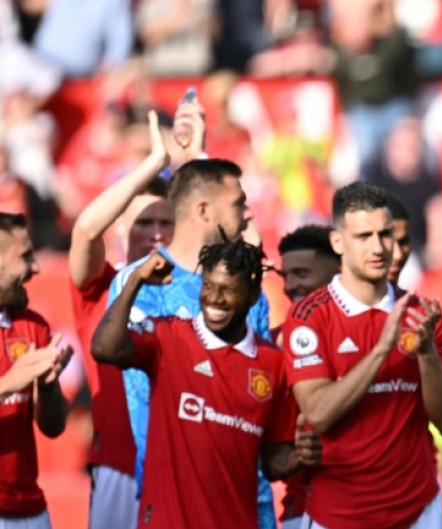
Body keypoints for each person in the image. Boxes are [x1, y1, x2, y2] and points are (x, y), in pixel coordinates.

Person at [92, 240, 319, 528]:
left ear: (252, 296)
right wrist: (136, 279)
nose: (215, 298)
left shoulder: (272, 364)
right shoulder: (168, 335)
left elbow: (273, 463)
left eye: (228, 289)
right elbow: (104, 349)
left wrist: (302, 455)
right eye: (209, 286)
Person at [281, 182, 442, 529]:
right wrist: (383, 349)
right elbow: (318, 412)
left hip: (418, 511)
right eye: (363, 236)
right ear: (338, 243)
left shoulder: (421, 314)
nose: (379, 248)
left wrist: (426, 353)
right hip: (339, 515)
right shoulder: (309, 317)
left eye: (385, 235)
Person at [108, 157, 277, 528]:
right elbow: (145, 404)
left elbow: (261, 389)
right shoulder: (142, 284)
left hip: (251, 502)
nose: (247, 215)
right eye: (238, 203)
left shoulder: (251, 293)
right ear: (203, 210)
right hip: (177, 505)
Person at [68, 109, 176, 529]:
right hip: (118, 467)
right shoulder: (101, 286)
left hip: (180, 466)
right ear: (120, 230)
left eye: (166, 222)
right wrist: (149, 166)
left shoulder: (196, 293)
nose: (156, 233)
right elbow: (83, 232)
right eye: (144, 223)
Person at [0, 212, 73, 529]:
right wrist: (7, 385)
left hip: (30, 510)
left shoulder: (32, 325)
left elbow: (53, 428)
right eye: (25, 256)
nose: (36, 267)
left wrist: (47, 387)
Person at [272, 224, 339, 529]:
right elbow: (270, 462)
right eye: (285, 275)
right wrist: (301, 456)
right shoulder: (271, 346)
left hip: (382, 510)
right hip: (302, 514)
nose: (290, 285)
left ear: (339, 272)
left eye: (302, 273)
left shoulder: (377, 333)